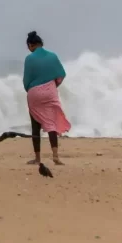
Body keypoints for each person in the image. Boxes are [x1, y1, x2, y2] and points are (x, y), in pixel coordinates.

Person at [23, 31, 70, 165]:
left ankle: (38, 158)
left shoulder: (29, 58)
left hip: (35, 93)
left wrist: (30, 89)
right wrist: (53, 85)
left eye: (28, 47)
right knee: (51, 124)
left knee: (35, 125)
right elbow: (61, 74)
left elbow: (26, 80)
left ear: (31, 45)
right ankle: (55, 156)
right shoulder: (53, 56)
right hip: (50, 91)